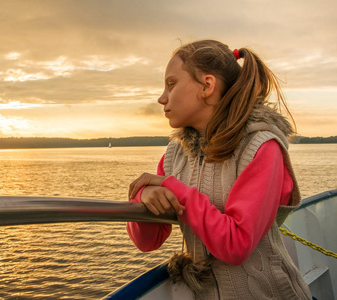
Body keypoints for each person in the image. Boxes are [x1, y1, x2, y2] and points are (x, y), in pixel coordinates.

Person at [126, 40, 312, 299]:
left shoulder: (260, 147)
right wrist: (143, 197)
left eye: (171, 84)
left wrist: (176, 191)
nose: (162, 98)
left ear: (207, 85)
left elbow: (236, 245)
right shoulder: (175, 156)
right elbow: (147, 242)